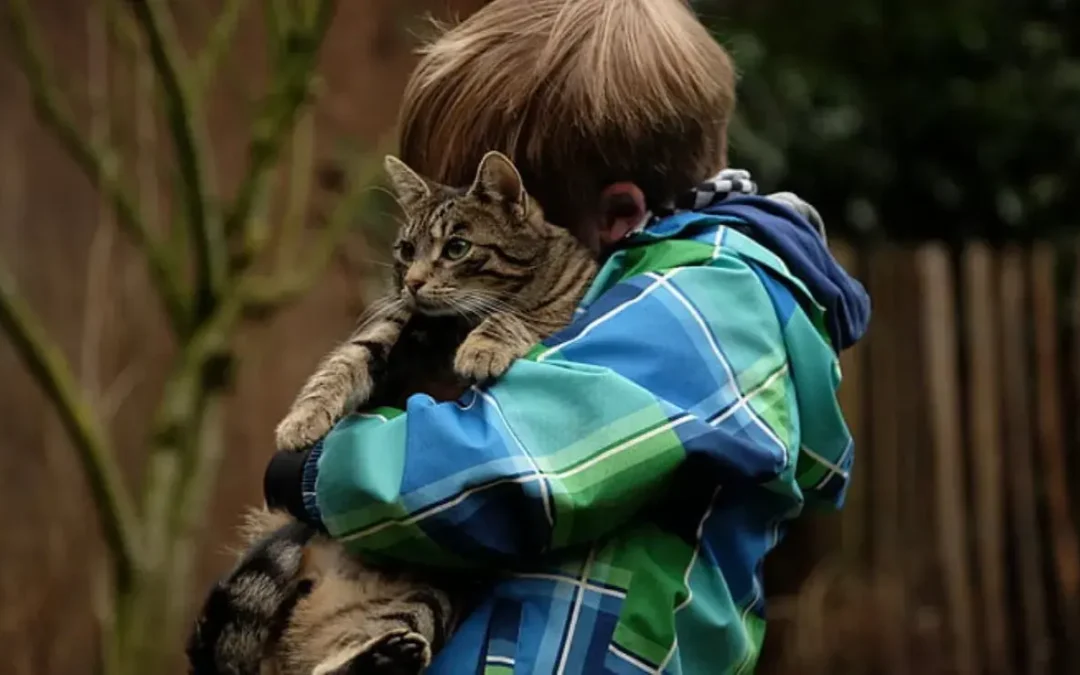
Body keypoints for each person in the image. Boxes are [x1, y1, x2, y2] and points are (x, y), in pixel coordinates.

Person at [263, 0, 870, 672]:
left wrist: (322, 472)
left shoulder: (710, 304)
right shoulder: (638, 303)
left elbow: (512, 470)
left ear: (616, 215)